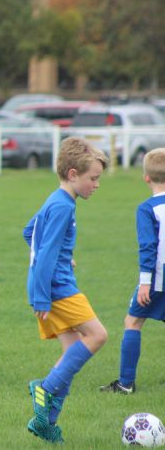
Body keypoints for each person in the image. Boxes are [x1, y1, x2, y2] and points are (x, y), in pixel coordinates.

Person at [24, 137, 108, 443]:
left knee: (72, 352)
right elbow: (44, 253)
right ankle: (44, 388)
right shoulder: (62, 206)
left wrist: (60, 252)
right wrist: (42, 295)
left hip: (51, 284)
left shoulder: (55, 199)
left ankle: (46, 422)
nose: (96, 185)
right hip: (57, 288)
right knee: (98, 336)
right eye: (93, 178)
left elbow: (30, 232)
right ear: (73, 174)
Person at [100, 148, 165, 395]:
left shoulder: (147, 209)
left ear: (146, 177)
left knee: (133, 321)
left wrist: (145, 283)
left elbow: (149, 246)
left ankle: (125, 384)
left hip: (159, 276)